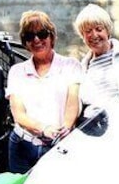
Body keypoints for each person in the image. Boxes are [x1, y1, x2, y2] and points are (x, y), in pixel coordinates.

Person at [6, 10, 81, 173]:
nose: (37, 40)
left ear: (52, 36)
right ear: (25, 41)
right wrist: (43, 128)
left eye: (42, 34)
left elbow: (72, 102)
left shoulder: (71, 66)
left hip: (57, 148)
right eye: (29, 36)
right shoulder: (17, 71)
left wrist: (65, 129)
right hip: (22, 147)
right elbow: (18, 114)